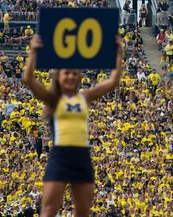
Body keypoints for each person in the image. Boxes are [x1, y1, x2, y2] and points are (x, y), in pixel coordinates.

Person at [22, 34, 124, 217]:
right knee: (49, 210)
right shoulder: (53, 99)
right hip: (60, 155)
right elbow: (29, 79)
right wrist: (33, 52)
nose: (70, 76)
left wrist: (119, 54)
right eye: (66, 73)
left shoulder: (84, 97)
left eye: (74, 73)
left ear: (79, 77)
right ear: (58, 76)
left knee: (83, 212)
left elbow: (113, 81)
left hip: (82, 156)